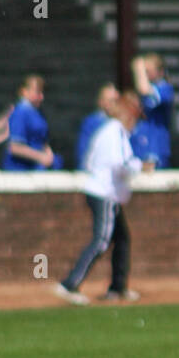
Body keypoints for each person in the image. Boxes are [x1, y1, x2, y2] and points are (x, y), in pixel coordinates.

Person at [54, 89, 150, 306]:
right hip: (104, 194)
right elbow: (121, 164)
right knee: (102, 240)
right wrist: (140, 166)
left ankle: (118, 287)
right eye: (134, 117)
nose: (135, 123)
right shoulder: (114, 131)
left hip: (109, 194)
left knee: (122, 239)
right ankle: (69, 284)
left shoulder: (112, 132)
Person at [2, 74, 63, 171]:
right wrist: (41, 157)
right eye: (37, 92)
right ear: (24, 92)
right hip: (21, 171)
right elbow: (15, 147)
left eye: (42, 93)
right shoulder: (20, 113)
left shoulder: (37, 113)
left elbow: (42, 140)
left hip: (38, 168)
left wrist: (49, 154)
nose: (41, 97)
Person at [131, 53, 174, 168]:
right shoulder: (141, 93)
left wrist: (139, 69)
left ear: (160, 71)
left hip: (156, 148)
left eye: (148, 71)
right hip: (140, 148)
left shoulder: (165, 88)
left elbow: (145, 90)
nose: (145, 75)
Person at [75, 84, 120, 169]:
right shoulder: (91, 123)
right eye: (111, 101)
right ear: (101, 102)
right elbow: (84, 152)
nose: (114, 104)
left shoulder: (122, 122)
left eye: (117, 101)